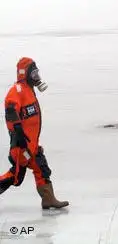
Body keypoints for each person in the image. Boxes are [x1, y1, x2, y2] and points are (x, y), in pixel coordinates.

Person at [0, 57, 69, 209]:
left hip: (32, 145)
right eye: (34, 73)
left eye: (37, 73)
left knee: (42, 168)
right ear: (26, 74)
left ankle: (48, 199)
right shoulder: (17, 90)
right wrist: (18, 133)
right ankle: (48, 199)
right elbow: (10, 110)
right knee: (16, 177)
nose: (37, 77)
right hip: (22, 147)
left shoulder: (29, 90)